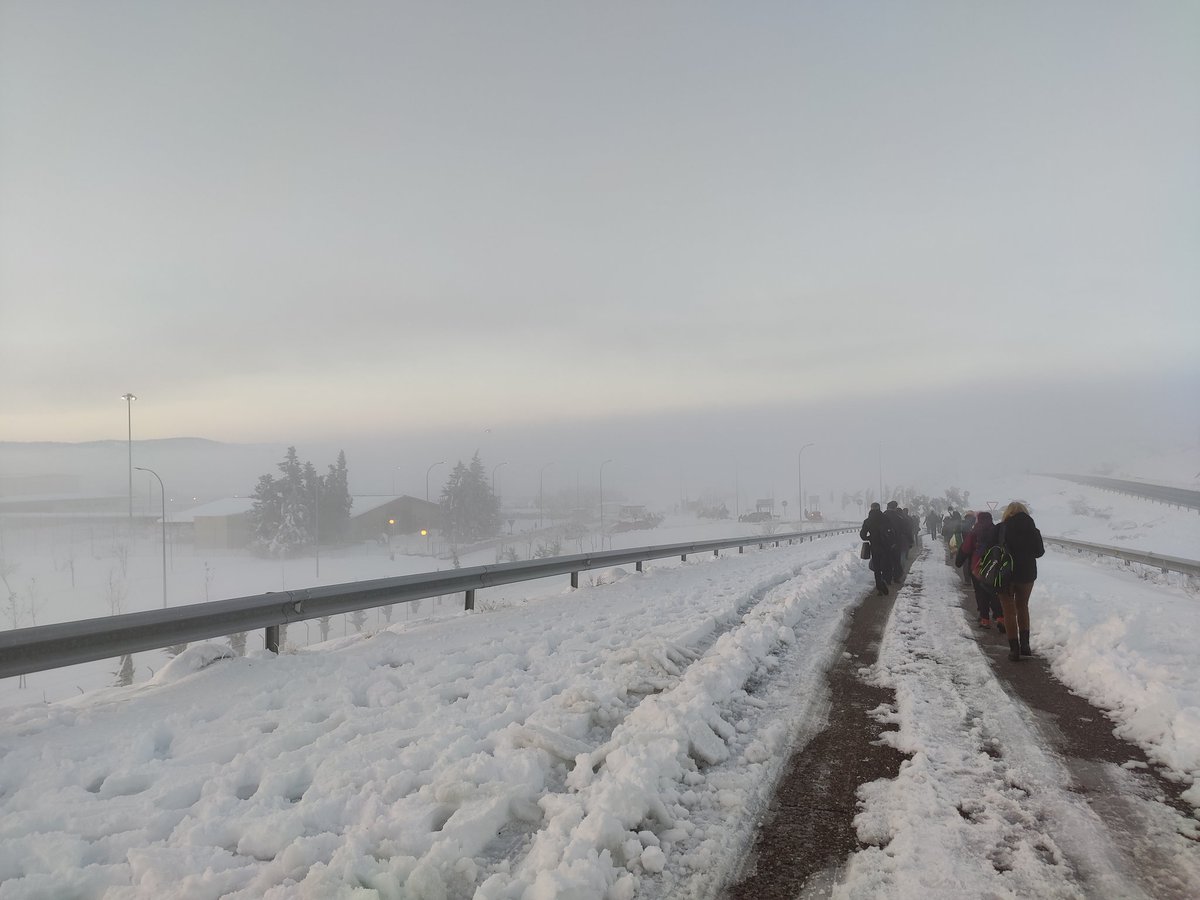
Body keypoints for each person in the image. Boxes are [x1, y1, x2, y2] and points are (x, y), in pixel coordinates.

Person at [996, 501, 1046, 661]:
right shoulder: (1033, 530)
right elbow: (1039, 552)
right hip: (1027, 574)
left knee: (1009, 611)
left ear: (1008, 512)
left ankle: (1014, 650)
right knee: (1023, 606)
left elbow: (993, 550)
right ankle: (1025, 645)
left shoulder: (1001, 529)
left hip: (1006, 575)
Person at [955, 511, 1004, 630]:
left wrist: (959, 561)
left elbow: (966, 548)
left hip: (978, 567)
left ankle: (985, 619)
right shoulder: (996, 530)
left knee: (981, 593)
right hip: (994, 566)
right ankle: (1000, 618)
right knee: (994, 592)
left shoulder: (974, 532)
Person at [860, 502, 896, 594]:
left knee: (876, 567)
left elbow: (863, 535)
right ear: (879, 508)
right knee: (886, 564)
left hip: (874, 547)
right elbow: (892, 532)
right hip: (886, 546)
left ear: (871, 509)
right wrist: (892, 542)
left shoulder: (867, 521)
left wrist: (870, 538)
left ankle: (879, 587)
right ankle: (884, 580)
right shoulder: (885, 518)